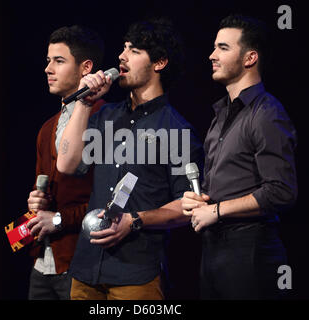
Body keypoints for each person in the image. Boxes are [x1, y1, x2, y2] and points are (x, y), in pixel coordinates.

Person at [56, 18, 204, 300]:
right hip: (87, 268)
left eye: (134, 51)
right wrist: (84, 104)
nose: (122, 56)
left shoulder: (176, 130)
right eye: (124, 48)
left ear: (159, 63)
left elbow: (187, 205)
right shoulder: (105, 115)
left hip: (136, 274)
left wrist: (134, 220)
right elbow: (66, 163)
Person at [181, 14, 297, 299]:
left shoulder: (267, 113)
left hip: (250, 253)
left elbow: (282, 191)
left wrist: (217, 211)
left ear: (249, 58)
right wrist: (198, 199)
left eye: (223, 48)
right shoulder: (220, 115)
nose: (212, 55)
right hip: (213, 251)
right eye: (214, 47)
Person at [25, 25, 105, 300]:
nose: (48, 68)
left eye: (59, 61)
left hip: (81, 263)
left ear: (86, 68)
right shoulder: (47, 127)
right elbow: (44, 192)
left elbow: (112, 201)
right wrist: (36, 202)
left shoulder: (106, 119)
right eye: (48, 60)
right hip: (42, 261)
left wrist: (59, 219)